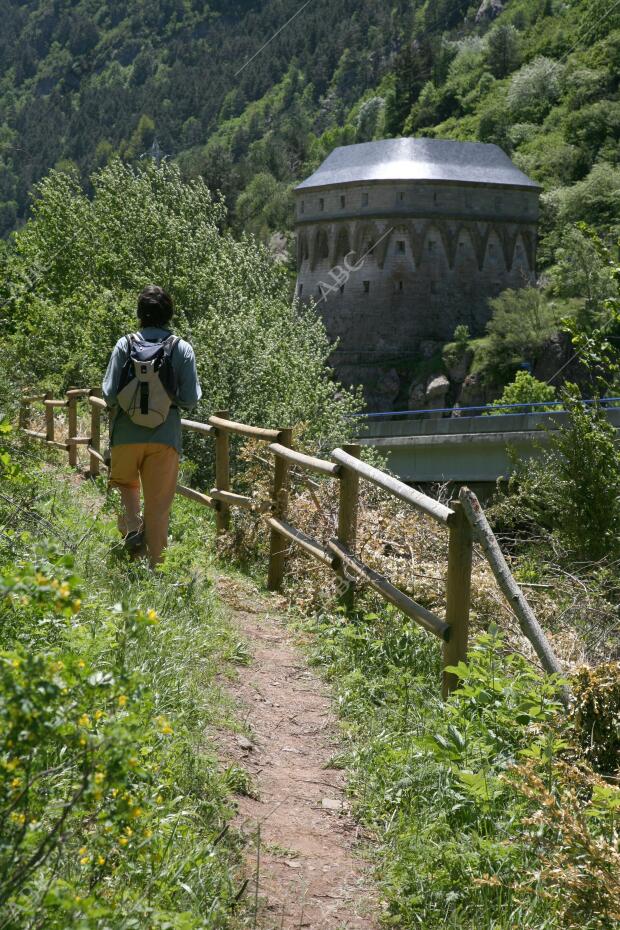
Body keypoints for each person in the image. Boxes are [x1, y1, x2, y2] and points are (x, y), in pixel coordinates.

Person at [102, 285, 201, 565]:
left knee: (124, 487)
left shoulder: (125, 344)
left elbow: (109, 394)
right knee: (158, 506)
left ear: (139, 314)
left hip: (125, 434)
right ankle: (155, 569)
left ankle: (131, 544)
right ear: (168, 314)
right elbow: (191, 399)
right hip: (165, 437)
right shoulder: (181, 348)